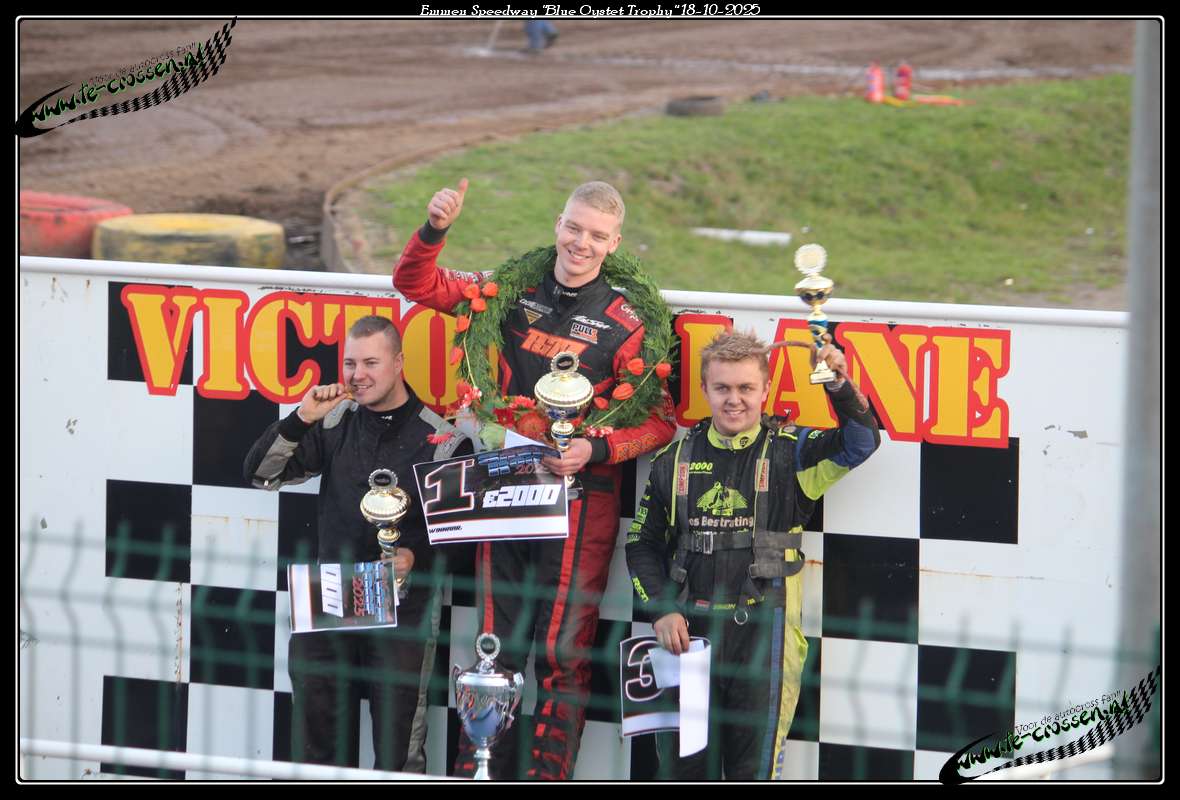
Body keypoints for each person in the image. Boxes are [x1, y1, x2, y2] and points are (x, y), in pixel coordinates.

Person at [393, 179, 675, 780]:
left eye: (596, 235)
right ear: (557, 224)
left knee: (562, 654)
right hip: (503, 488)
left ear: (614, 242)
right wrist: (435, 228)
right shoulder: (507, 291)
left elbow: (660, 421)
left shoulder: (629, 321)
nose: (581, 243)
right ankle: (479, 771)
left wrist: (596, 449)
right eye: (574, 227)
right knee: (493, 646)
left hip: (582, 499)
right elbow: (414, 283)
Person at [625, 330, 880, 780]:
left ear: (765, 390)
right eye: (722, 387)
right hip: (689, 639)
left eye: (746, 387)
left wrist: (838, 384)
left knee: (753, 773)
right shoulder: (673, 459)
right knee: (683, 772)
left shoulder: (793, 452)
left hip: (765, 639)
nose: (734, 400)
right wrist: (661, 609)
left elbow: (862, 442)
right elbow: (641, 542)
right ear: (704, 389)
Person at [243, 315, 472, 772]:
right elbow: (259, 474)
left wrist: (416, 556)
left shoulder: (444, 440)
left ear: (399, 363)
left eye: (370, 362)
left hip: (402, 602)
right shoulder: (332, 421)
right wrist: (300, 418)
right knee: (317, 743)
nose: (357, 375)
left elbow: (463, 542)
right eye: (350, 363)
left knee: (398, 747)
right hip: (333, 590)